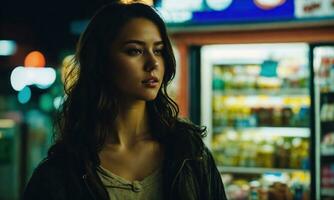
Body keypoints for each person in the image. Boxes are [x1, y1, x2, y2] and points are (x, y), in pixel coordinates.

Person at [23, 2, 227, 200]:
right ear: (101, 61)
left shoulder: (189, 154)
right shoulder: (61, 170)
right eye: (134, 51)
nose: (153, 63)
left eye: (158, 50)